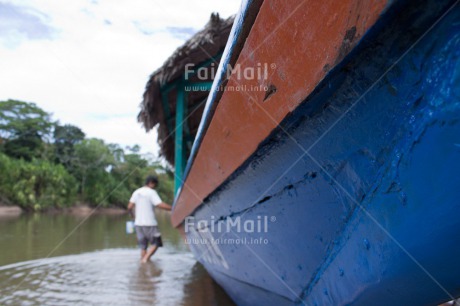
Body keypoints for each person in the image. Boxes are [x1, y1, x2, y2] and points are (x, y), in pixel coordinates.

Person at [127, 175, 171, 263]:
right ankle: (145, 260)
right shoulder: (151, 192)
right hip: (150, 223)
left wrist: (132, 216)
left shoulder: (137, 192)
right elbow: (159, 204)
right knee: (157, 243)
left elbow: (129, 207)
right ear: (151, 183)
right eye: (155, 185)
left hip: (138, 224)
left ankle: (143, 265)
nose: (155, 187)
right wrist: (173, 208)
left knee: (143, 246)